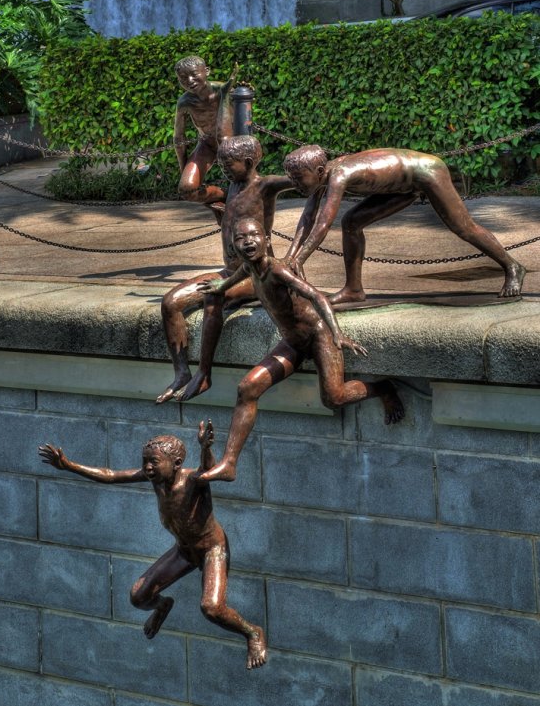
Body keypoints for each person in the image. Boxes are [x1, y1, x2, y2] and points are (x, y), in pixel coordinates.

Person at [38, 420, 267, 670]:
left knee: (211, 608)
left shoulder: (193, 480)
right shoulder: (155, 480)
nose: (147, 467)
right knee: (138, 596)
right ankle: (162, 606)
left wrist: (205, 448)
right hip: (184, 551)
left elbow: (208, 471)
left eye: (154, 462)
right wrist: (69, 465)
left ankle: (253, 633)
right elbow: (111, 475)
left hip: (212, 549)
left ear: (177, 464)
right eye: (145, 461)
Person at [196, 218, 404, 483]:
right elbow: (239, 274)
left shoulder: (278, 270)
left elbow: (316, 296)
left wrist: (337, 332)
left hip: (318, 335)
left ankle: (383, 388)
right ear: (233, 246)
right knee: (247, 388)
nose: (248, 242)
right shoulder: (249, 267)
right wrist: (220, 286)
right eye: (240, 238)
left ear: (267, 240)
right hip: (293, 342)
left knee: (334, 398)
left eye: (254, 235)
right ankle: (229, 463)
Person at [283, 144, 526, 303]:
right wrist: (290, 258)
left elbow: (323, 223)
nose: (296, 184)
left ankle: (512, 266)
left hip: (426, 171)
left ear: (318, 170)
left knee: (463, 227)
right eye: (292, 179)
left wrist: (300, 260)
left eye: (298, 178)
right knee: (352, 222)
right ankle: (354, 289)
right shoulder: (321, 177)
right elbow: (307, 218)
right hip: (401, 186)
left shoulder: (339, 175)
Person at [156, 134, 295, 404]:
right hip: (230, 272)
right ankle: (182, 372)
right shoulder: (229, 188)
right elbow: (188, 189)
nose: (222, 169)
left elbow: (302, 180)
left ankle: (204, 373)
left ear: (247, 161)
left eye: (228, 164)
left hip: (256, 275)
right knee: (170, 302)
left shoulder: (264, 186)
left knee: (214, 296)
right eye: (220, 164)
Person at [173, 55, 237, 217]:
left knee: (244, 188)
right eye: (183, 78)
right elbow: (178, 139)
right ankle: (223, 195)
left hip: (234, 145)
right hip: (207, 145)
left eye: (194, 74)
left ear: (206, 71)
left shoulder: (225, 89)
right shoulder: (185, 102)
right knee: (188, 190)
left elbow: (245, 121)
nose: (189, 80)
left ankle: (233, 196)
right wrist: (183, 170)